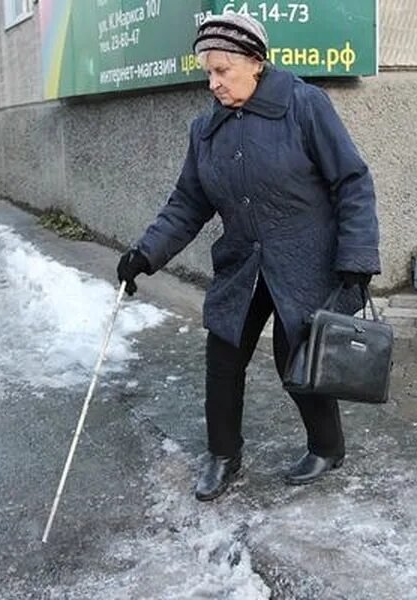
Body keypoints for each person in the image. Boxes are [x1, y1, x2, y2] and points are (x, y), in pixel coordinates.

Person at [116, 13, 380, 501]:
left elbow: (352, 181)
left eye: (222, 71)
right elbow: (187, 203)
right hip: (243, 262)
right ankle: (223, 455)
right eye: (208, 72)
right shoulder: (206, 130)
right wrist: (144, 254)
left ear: (255, 63)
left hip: (308, 260)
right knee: (223, 352)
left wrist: (357, 256)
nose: (212, 83)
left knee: (296, 354)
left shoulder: (304, 106)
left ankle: (327, 445)